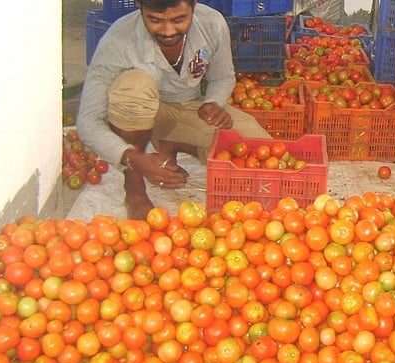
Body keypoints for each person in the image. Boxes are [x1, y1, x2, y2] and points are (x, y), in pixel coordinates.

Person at [76, 0, 271, 219]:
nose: (168, 31)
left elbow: (223, 76)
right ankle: (134, 190)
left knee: (261, 147)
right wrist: (131, 158)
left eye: (179, 20)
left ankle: (172, 143)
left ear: (194, 5)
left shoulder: (212, 23)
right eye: (155, 20)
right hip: (144, 112)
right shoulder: (119, 40)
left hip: (190, 107)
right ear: (140, 6)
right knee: (133, 87)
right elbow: (88, 121)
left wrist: (214, 103)